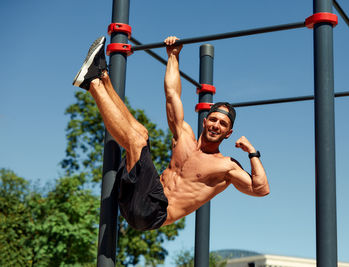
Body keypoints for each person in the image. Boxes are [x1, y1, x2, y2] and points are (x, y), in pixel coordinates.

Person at [72, 36, 270, 231]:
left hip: (153, 213)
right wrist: (173, 56)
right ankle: (103, 78)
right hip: (131, 197)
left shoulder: (226, 166)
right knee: (141, 132)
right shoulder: (183, 136)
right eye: (213, 119)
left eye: (223, 124)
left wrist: (252, 152)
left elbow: (261, 189)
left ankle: (92, 83)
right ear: (205, 121)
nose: (216, 125)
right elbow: (172, 95)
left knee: (137, 140)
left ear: (228, 133)